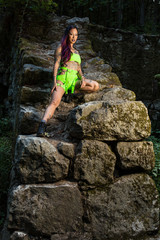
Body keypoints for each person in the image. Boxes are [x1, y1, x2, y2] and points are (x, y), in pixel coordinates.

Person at [37, 24, 99, 137]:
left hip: (74, 80)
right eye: (71, 34)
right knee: (54, 102)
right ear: (67, 35)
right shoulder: (61, 48)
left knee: (95, 85)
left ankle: (71, 93)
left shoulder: (76, 52)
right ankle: (42, 126)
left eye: (76, 35)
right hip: (62, 80)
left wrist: (83, 79)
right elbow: (56, 65)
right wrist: (54, 82)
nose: (74, 37)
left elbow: (79, 69)